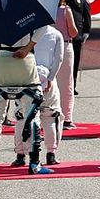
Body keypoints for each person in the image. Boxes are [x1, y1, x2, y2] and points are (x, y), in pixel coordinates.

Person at [0, 24, 53, 176]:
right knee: (32, 114)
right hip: (26, 61)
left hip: (3, 61)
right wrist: (28, 46)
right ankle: (34, 162)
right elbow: (43, 27)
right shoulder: (30, 6)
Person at [25, 25, 64, 166]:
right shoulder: (55, 33)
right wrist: (50, 78)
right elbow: (59, 58)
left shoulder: (25, 32)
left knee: (24, 117)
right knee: (51, 117)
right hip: (48, 79)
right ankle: (51, 153)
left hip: (28, 79)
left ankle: (21, 154)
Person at [54, 0, 79, 130]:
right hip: (65, 44)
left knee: (51, 81)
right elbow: (74, 31)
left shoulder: (49, 11)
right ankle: (67, 117)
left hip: (51, 46)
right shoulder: (65, 10)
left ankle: (51, 113)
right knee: (67, 83)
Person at [65, 0, 92, 95]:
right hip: (63, 34)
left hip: (78, 34)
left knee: (75, 61)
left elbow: (86, 13)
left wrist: (87, 30)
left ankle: (72, 86)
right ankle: (63, 86)